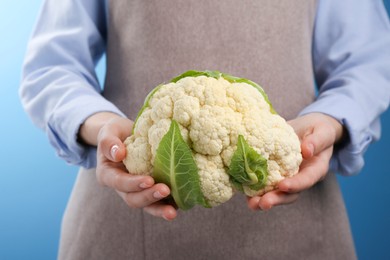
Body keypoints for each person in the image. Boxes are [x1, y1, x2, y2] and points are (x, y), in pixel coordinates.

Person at [20, 0, 390, 259]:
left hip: (298, 232)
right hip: (124, 228)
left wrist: (330, 121)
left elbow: (369, 61)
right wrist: (100, 126)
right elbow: (52, 67)